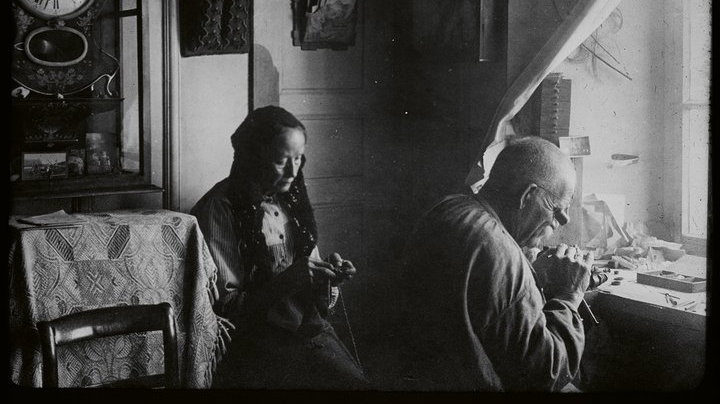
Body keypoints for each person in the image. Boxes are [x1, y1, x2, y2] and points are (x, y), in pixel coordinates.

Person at [192, 105, 368, 390]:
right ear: (253, 157)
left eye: (298, 159)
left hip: (306, 332)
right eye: (280, 160)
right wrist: (290, 280)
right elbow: (227, 311)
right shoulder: (220, 209)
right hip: (257, 346)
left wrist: (328, 279)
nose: (292, 170)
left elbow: (311, 286)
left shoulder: (291, 204)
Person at [398, 136, 593, 391]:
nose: (562, 221)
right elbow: (549, 374)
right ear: (528, 195)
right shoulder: (501, 253)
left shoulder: (449, 208)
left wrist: (529, 276)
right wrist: (569, 296)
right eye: (556, 209)